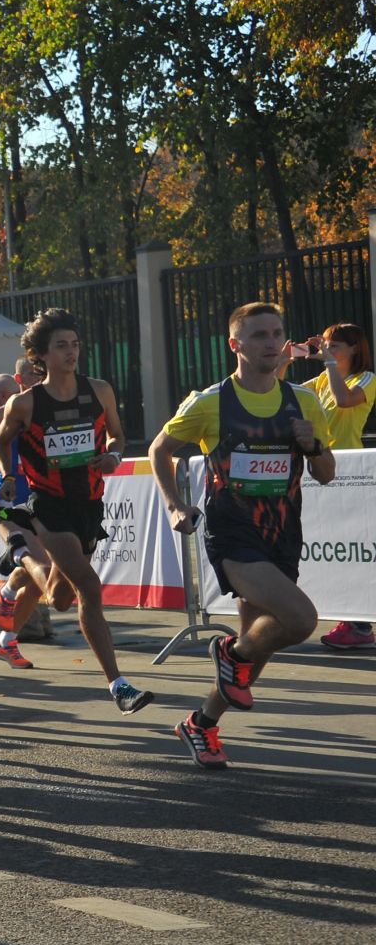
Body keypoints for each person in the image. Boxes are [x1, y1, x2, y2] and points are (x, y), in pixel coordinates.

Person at [151, 302, 334, 769]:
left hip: (281, 533)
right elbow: (160, 449)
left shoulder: (304, 401)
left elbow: (327, 472)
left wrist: (310, 444)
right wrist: (175, 504)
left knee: (257, 649)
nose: (271, 342)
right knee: (299, 620)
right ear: (235, 345)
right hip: (232, 531)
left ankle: (201, 724)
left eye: (276, 333)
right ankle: (228, 652)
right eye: (258, 336)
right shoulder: (211, 401)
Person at [0, 308, 154, 715]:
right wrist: (7, 473)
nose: (71, 352)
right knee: (89, 586)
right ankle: (118, 684)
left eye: (75, 344)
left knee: (61, 598)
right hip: (48, 506)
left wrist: (113, 456)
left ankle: (20, 563)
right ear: (41, 355)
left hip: (90, 504)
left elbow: (117, 435)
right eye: (61, 346)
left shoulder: (98, 390)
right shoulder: (25, 403)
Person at [0, 372, 72, 670]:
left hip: (44, 503)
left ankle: (6, 639)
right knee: (41, 568)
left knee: (34, 584)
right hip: (9, 503)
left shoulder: (50, 413)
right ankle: (6, 592)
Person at [296, 324, 373, 650]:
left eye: (335, 345)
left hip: (352, 473)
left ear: (355, 348)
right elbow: (286, 393)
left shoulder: (366, 378)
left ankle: (359, 624)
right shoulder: (320, 381)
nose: (328, 350)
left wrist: (327, 362)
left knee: (354, 546)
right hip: (320, 469)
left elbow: (344, 401)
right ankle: (350, 617)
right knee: (331, 546)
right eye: (325, 344)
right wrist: (287, 358)